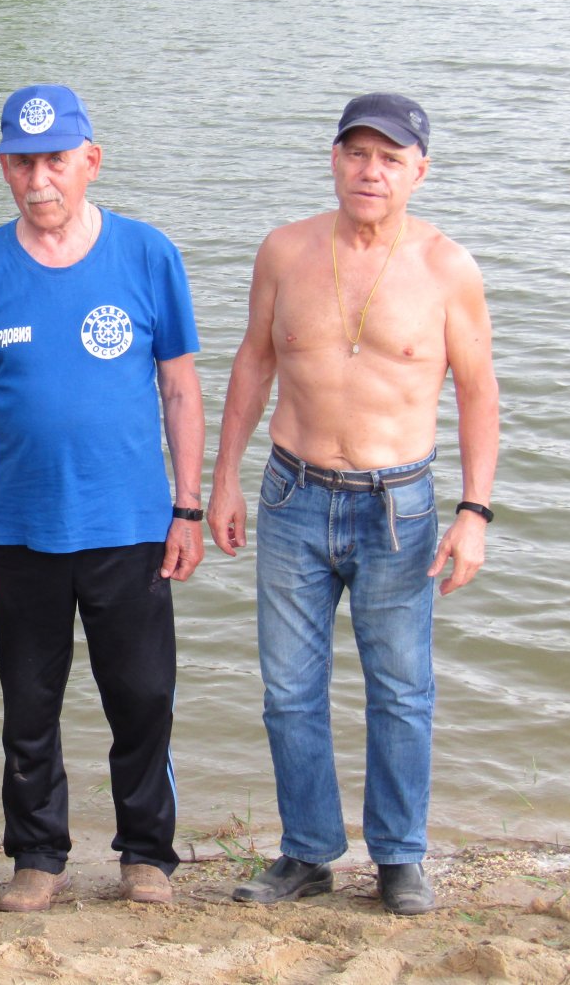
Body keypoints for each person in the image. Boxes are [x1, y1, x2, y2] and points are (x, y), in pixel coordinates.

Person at [208, 93, 499, 915]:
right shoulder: (285, 250)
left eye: (390, 158)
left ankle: (399, 857)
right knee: (287, 691)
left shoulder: (445, 267)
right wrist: (222, 479)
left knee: (401, 690)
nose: (370, 171)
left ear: (418, 171)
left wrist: (473, 512)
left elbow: (477, 392)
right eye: (356, 153)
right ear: (334, 158)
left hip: (396, 506)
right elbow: (254, 362)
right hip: (291, 493)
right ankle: (306, 852)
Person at [0, 84, 205, 912]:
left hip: (131, 525)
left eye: (55, 159)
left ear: (91, 160)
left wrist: (187, 507)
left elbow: (180, 389)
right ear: (2, 168)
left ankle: (146, 853)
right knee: (28, 706)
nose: (38, 178)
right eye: (21, 162)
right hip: (20, 529)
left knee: (142, 698)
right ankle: (37, 855)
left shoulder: (146, 254)